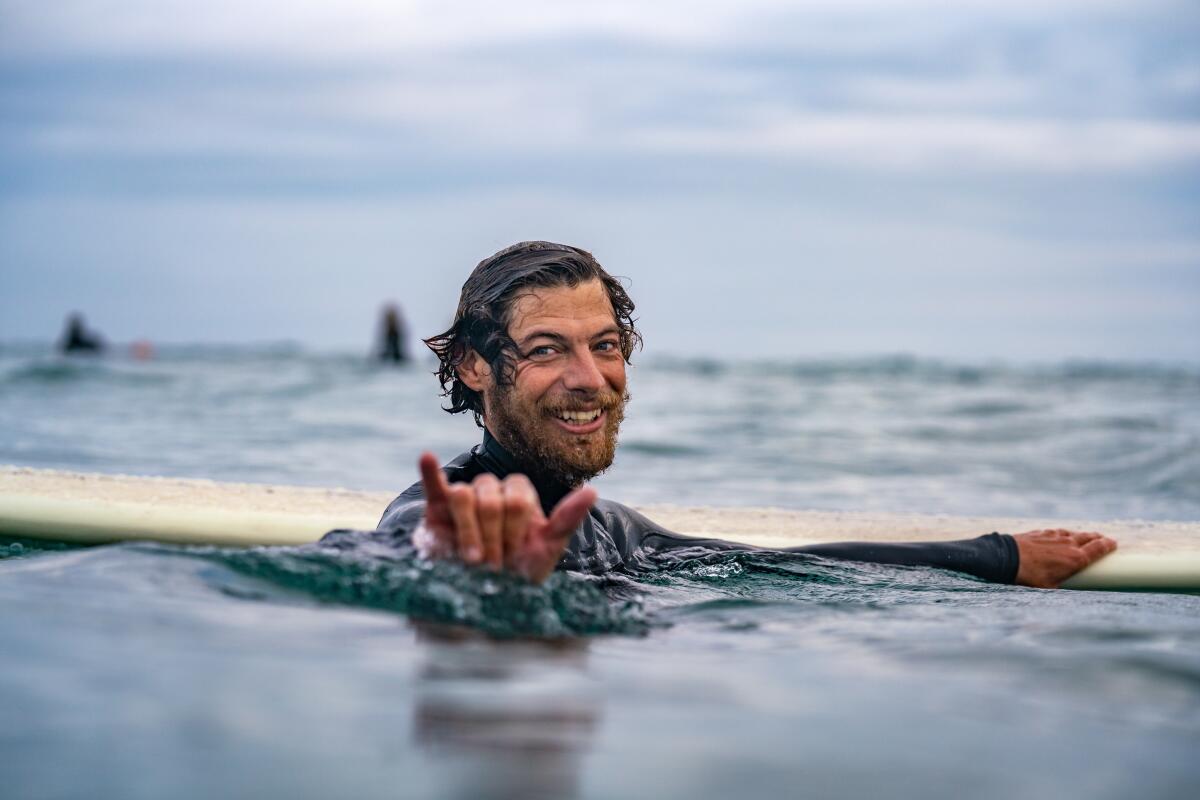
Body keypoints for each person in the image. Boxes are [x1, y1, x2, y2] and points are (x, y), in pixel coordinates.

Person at [323, 241, 1115, 589]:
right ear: (473, 367)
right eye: (545, 351)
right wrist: (452, 570)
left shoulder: (608, 526)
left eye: (605, 345)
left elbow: (788, 565)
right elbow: (376, 552)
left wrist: (996, 556)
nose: (590, 379)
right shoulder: (448, 510)